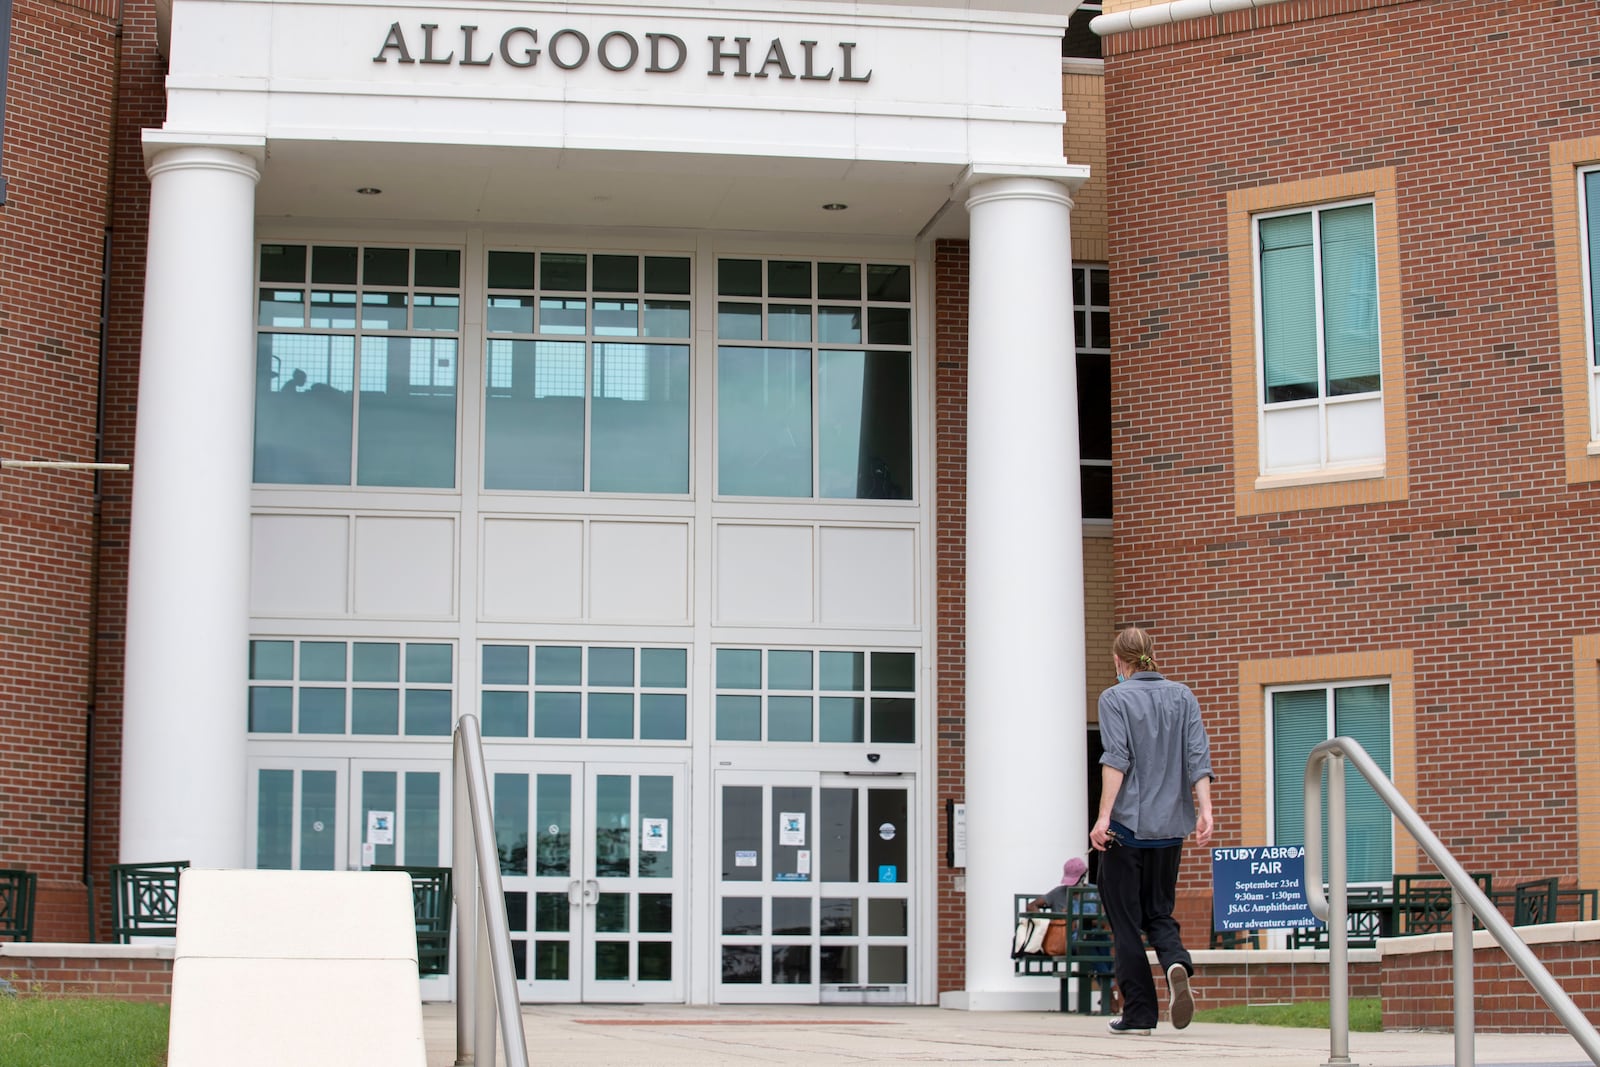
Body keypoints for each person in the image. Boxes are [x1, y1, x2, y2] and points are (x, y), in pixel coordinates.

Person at [1090, 626, 1214, 1036]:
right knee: (1158, 911)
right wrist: (1205, 810)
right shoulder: (1183, 696)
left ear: (1119, 661)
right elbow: (1198, 756)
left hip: (1126, 831)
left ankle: (1140, 1014)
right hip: (1169, 831)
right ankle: (1175, 960)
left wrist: (1103, 817)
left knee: (1125, 923)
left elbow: (1117, 758)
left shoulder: (1114, 698)